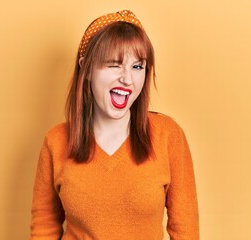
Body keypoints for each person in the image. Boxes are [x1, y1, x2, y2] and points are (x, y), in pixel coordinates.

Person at [30, 10, 199, 240]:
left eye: (137, 67)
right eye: (114, 65)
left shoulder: (168, 136)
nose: (127, 79)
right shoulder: (56, 141)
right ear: (87, 68)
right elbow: (44, 227)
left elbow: (186, 230)